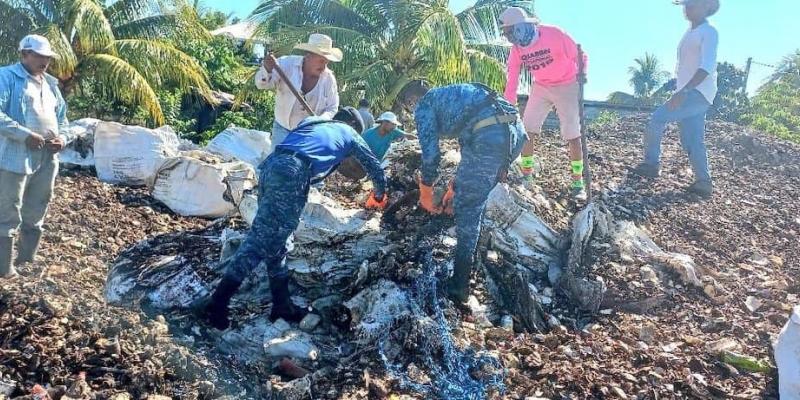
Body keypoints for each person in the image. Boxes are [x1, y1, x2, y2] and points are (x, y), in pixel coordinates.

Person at [199, 108, 389, 329]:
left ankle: (282, 304)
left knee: (278, 240)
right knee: (259, 240)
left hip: (272, 166)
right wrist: (379, 194)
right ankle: (216, 304)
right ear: (356, 126)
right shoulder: (349, 132)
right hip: (294, 172)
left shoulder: (312, 122)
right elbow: (373, 165)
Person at [402, 82, 526, 304]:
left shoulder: (424, 105)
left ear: (411, 102)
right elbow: (468, 149)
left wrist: (425, 191)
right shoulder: (453, 97)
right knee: (471, 198)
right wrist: (456, 188)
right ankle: (469, 270)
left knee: (469, 211)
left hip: (489, 135)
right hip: (515, 134)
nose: (412, 114)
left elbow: (431, 156)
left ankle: (460, 286)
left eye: (408, 109)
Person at [632, 0, 720, 197]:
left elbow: (706, 66)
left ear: (707, 6)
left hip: (697, 93)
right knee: (692, 139)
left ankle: (651, 164)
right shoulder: (690, 32)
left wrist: (685, 91)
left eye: (693, 4)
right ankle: (703, 182)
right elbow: (687, 66)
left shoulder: (709, 32)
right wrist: (678, 85)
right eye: (686, 4)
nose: (688, 8)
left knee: (657, 118)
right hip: (692, 92)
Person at [0, 35, 72, 278]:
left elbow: (63, 119)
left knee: (38, 206)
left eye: (47, 57)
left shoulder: (51, 84)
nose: (44, 61)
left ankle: (27, 259)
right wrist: (24, 135)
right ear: (24, 54)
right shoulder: (6, 77)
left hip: (47, 158)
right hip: (14, 156)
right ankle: (4, 268)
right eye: (39, 56)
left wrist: (62, 139)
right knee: (9, 209)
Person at [501, 7, 589, 199]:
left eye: (511, 32)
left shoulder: (554, 34)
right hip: (541, 86)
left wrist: (583, 74)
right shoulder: (517, 49)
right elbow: (512, 79)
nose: (510, 38)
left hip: (567, 85)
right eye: (506, 34)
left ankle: (577, 182)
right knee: (527, 130)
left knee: (573, 134)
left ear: (523, 27)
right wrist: (508, 105)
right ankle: (526, 175)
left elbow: (580, 56)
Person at [256, 34, 341, 152]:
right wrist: (267, 69)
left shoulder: (328, 79)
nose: (323, 66)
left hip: (308, 135)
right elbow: (261, 84)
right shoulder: (285, 64)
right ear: (308, 56)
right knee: (276, 165)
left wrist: (320, 120)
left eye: (326, 62)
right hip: (282, 129)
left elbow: (332, 107)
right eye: (321, 61)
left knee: (300, 167)